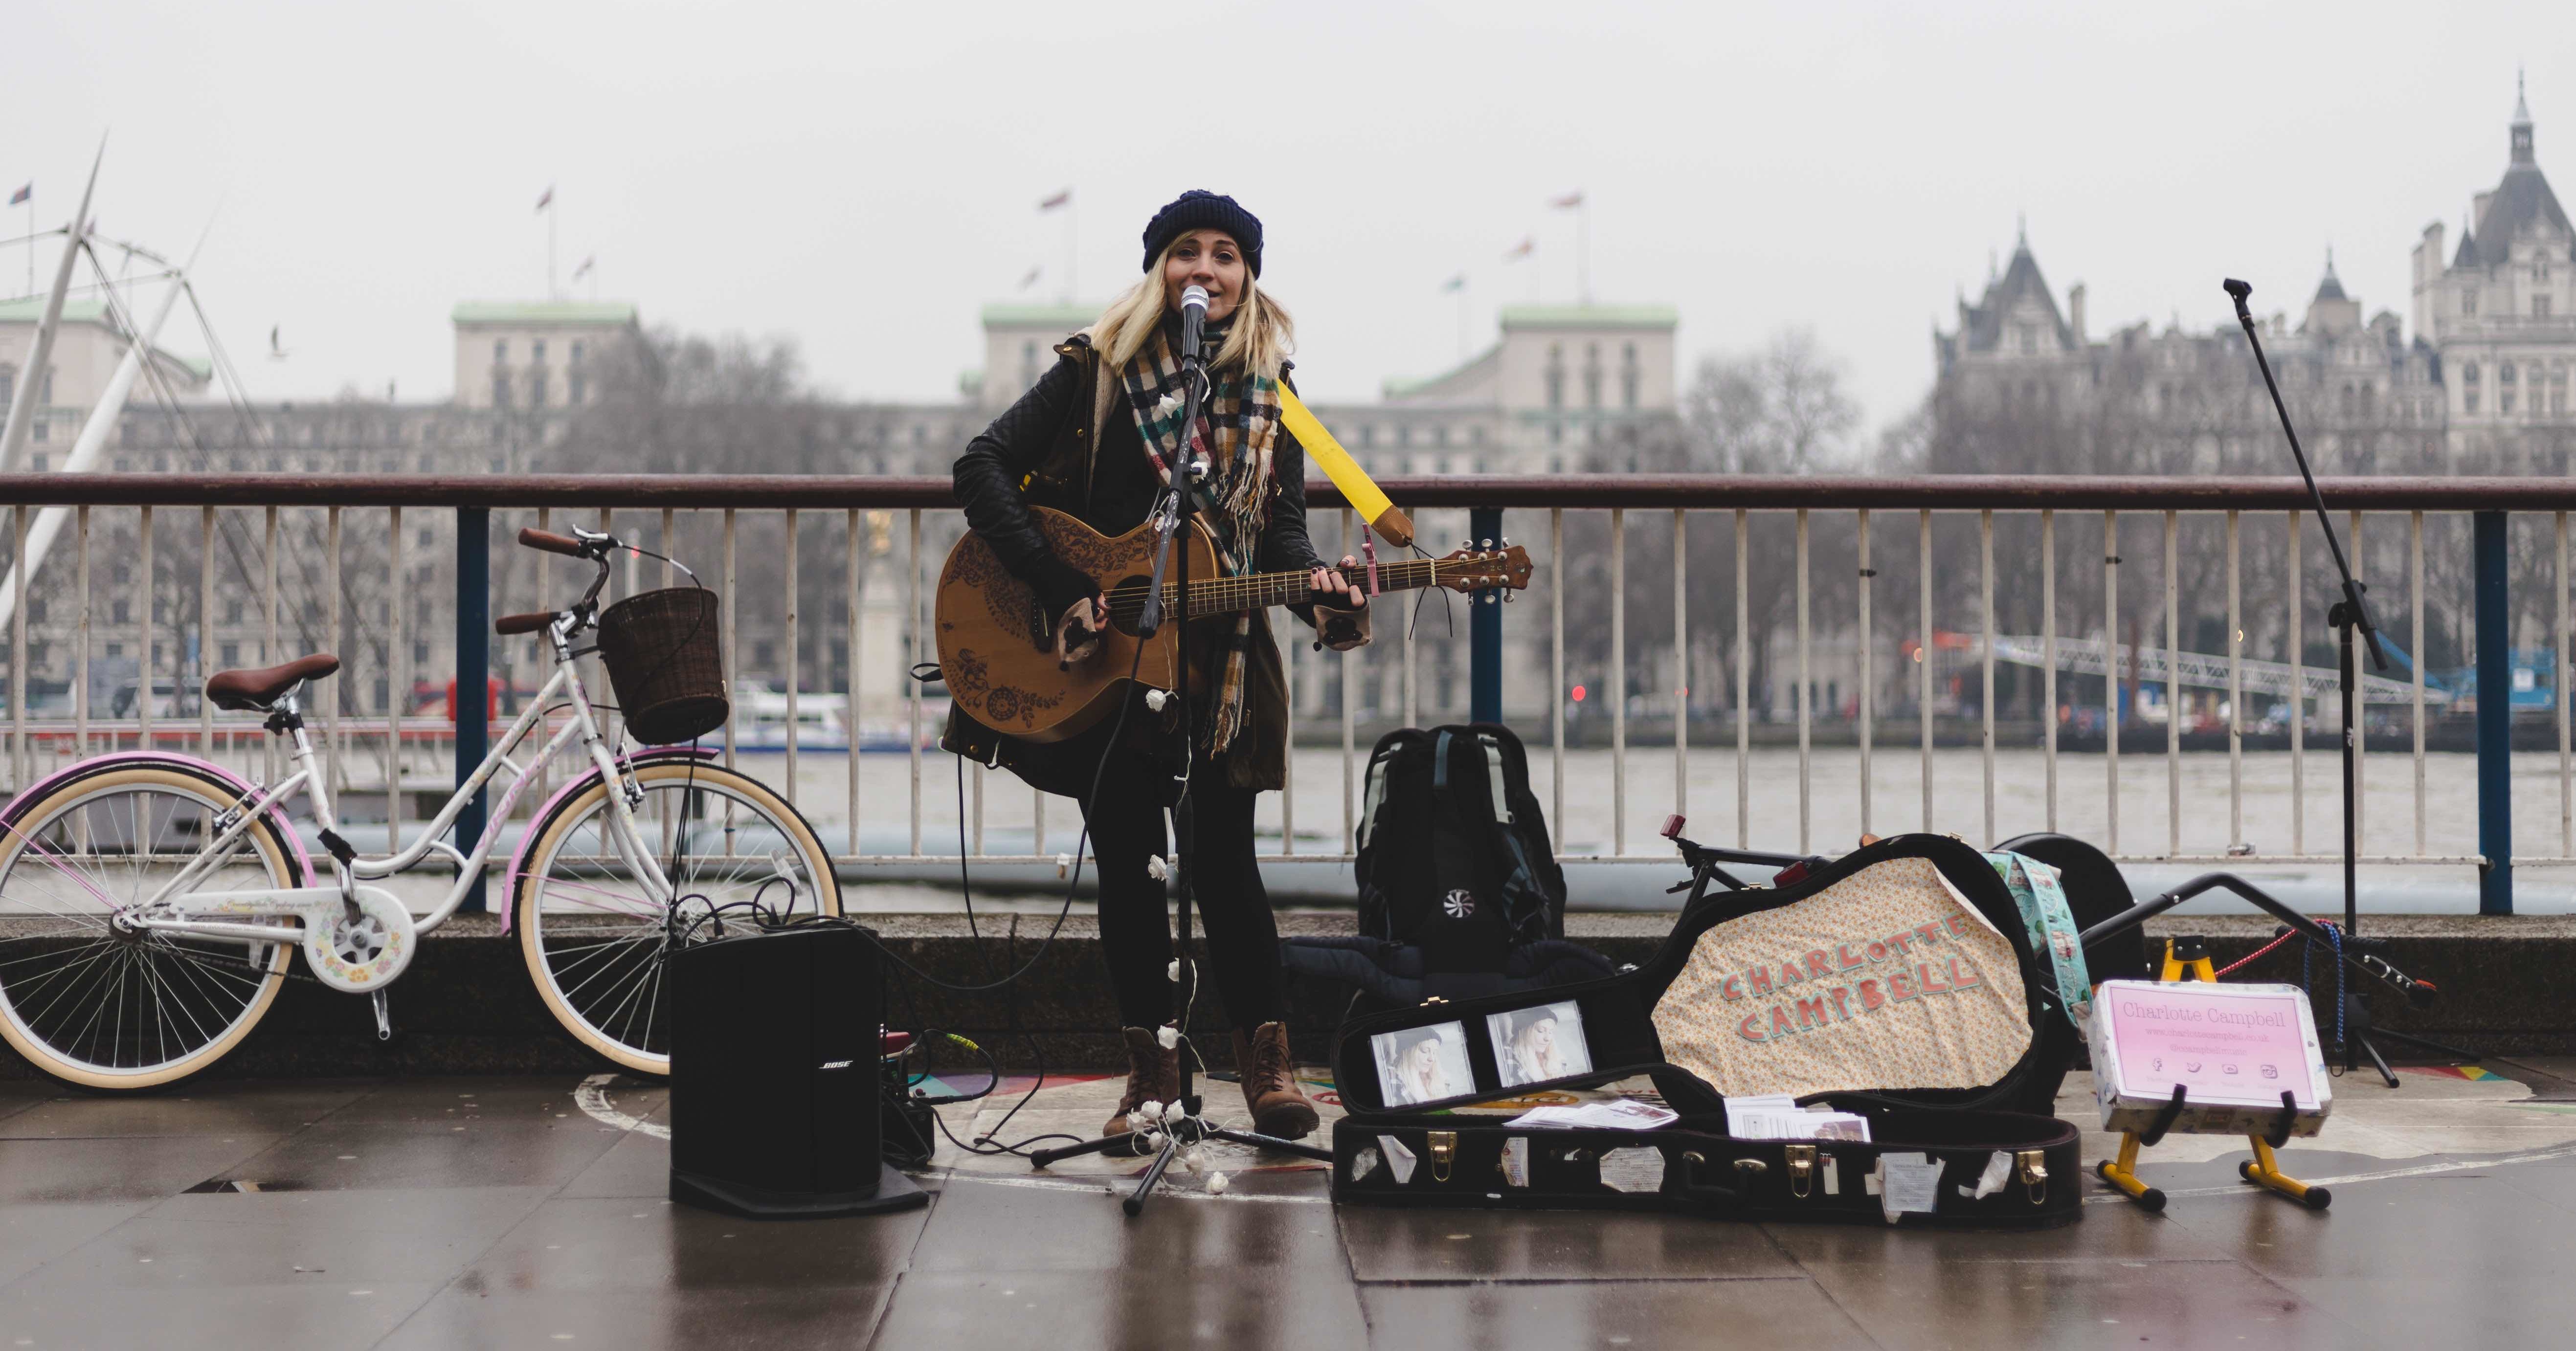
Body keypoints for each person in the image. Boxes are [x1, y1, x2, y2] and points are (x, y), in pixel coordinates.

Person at [949, 191, 1370, 1142]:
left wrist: (1320, 594)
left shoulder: (1272, 392)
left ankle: (1265, 1068)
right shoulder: (1094, 371)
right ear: (1159, 274)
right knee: (1129, 871)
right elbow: (979, 467)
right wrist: (1062, 584)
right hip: (1106, 663)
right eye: (1186, 253)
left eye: (1225, 255)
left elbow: (1282, 535)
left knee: (1226, 863)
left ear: (1247, 278)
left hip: (1220, 663)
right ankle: (1150, 1075)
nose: (1205, 271)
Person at [1381, 1026, 1457, 1107]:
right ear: (1408, 1051)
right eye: (1425, 1051)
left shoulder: (1438, 1080)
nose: (1432, 1059)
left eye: (1434, 1052)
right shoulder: (1392, 1082)